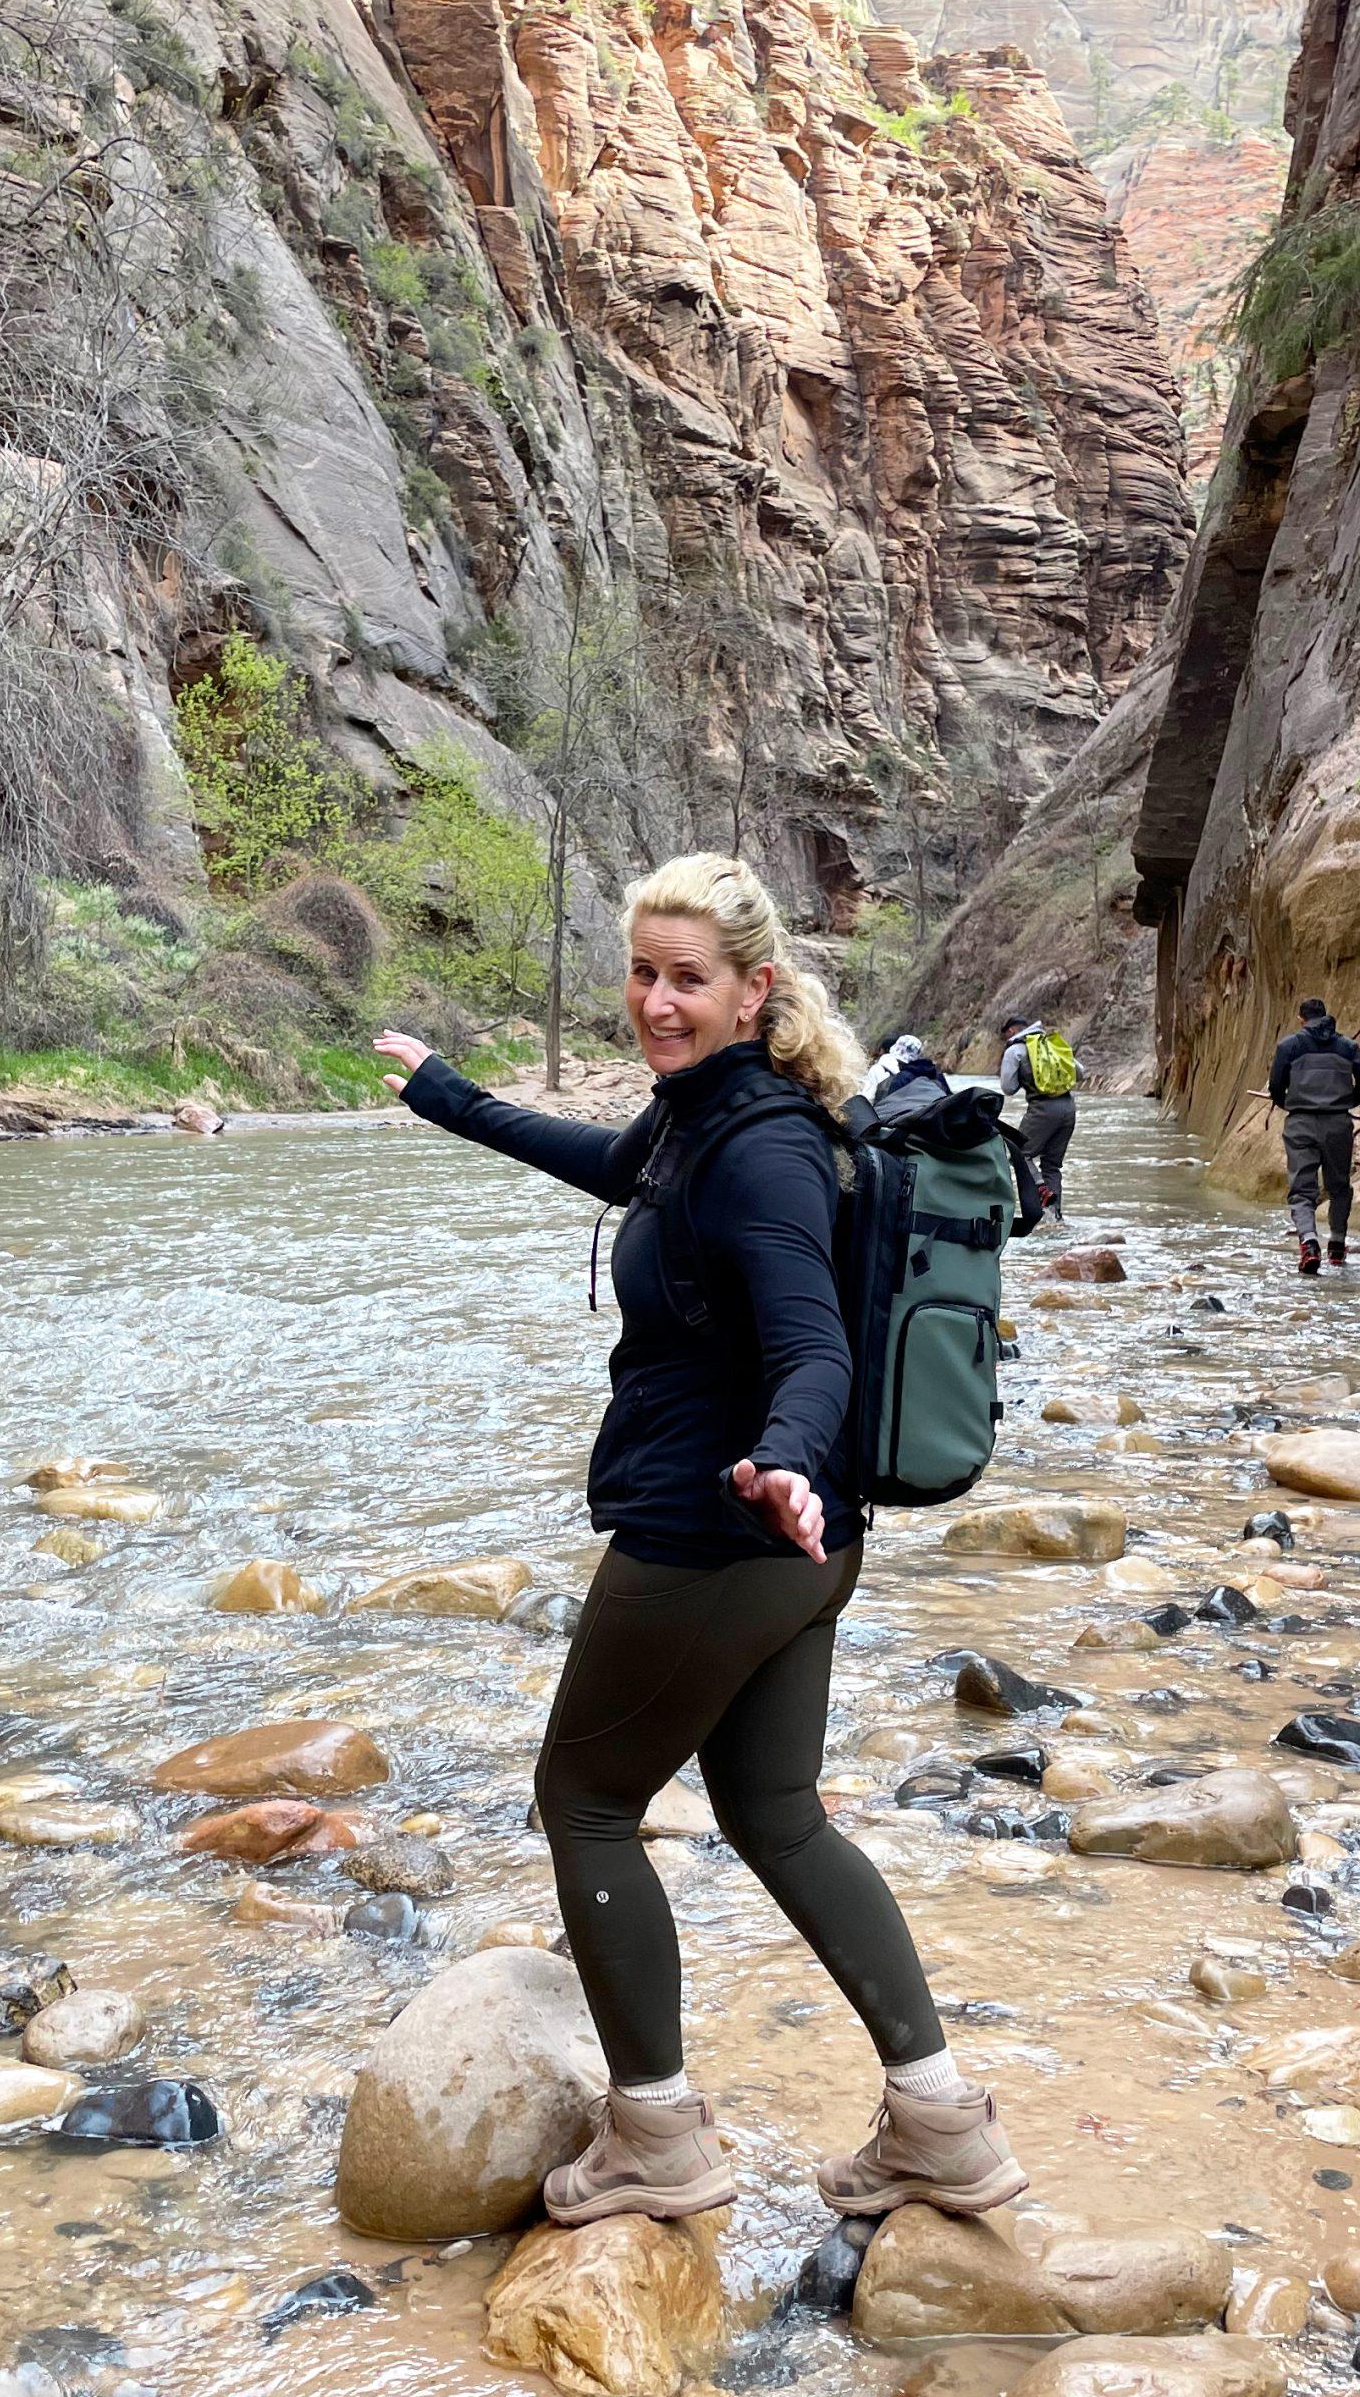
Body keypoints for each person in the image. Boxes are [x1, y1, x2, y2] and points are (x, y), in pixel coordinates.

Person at [373, 853, 1025, 2229]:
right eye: (645, 973)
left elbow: (812, 1343)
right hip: (795, 1540)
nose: (658, 1003)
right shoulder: (705, 1117)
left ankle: (657, 2136)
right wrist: (451, 1100)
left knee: (588, 1803)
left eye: (690, 980)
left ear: (754, 991)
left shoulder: (766, 1154)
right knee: (776, 1814)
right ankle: (942, 2126)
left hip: (718, 1530)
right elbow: (602, 1160)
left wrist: (783, 1457)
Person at [1267, 996, 1360, 1275]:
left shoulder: (1288, 1046)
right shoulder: (1347, 1047)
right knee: (1339, 1186)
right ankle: (1337, 1246)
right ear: (1326, 1016)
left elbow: (1276, 1086)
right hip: (1338, 1124)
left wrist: (1289, 1103)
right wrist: (1347, 1101)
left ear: (1301, 1019)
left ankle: (1309, 1242)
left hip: (1300, 1123)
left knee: (1302, 1191)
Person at [996, 1013, 1076, 1217]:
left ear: (1012, 1030)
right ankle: (1053, 1217)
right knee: (1052, 1164)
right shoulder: (1051, 1044)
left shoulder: (1015, 1049)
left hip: (1042, 1108)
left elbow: (1008, 1087)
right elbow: (1079, 1072)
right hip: (1068, 1107)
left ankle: (1040, 1189)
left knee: (1019, 1153)